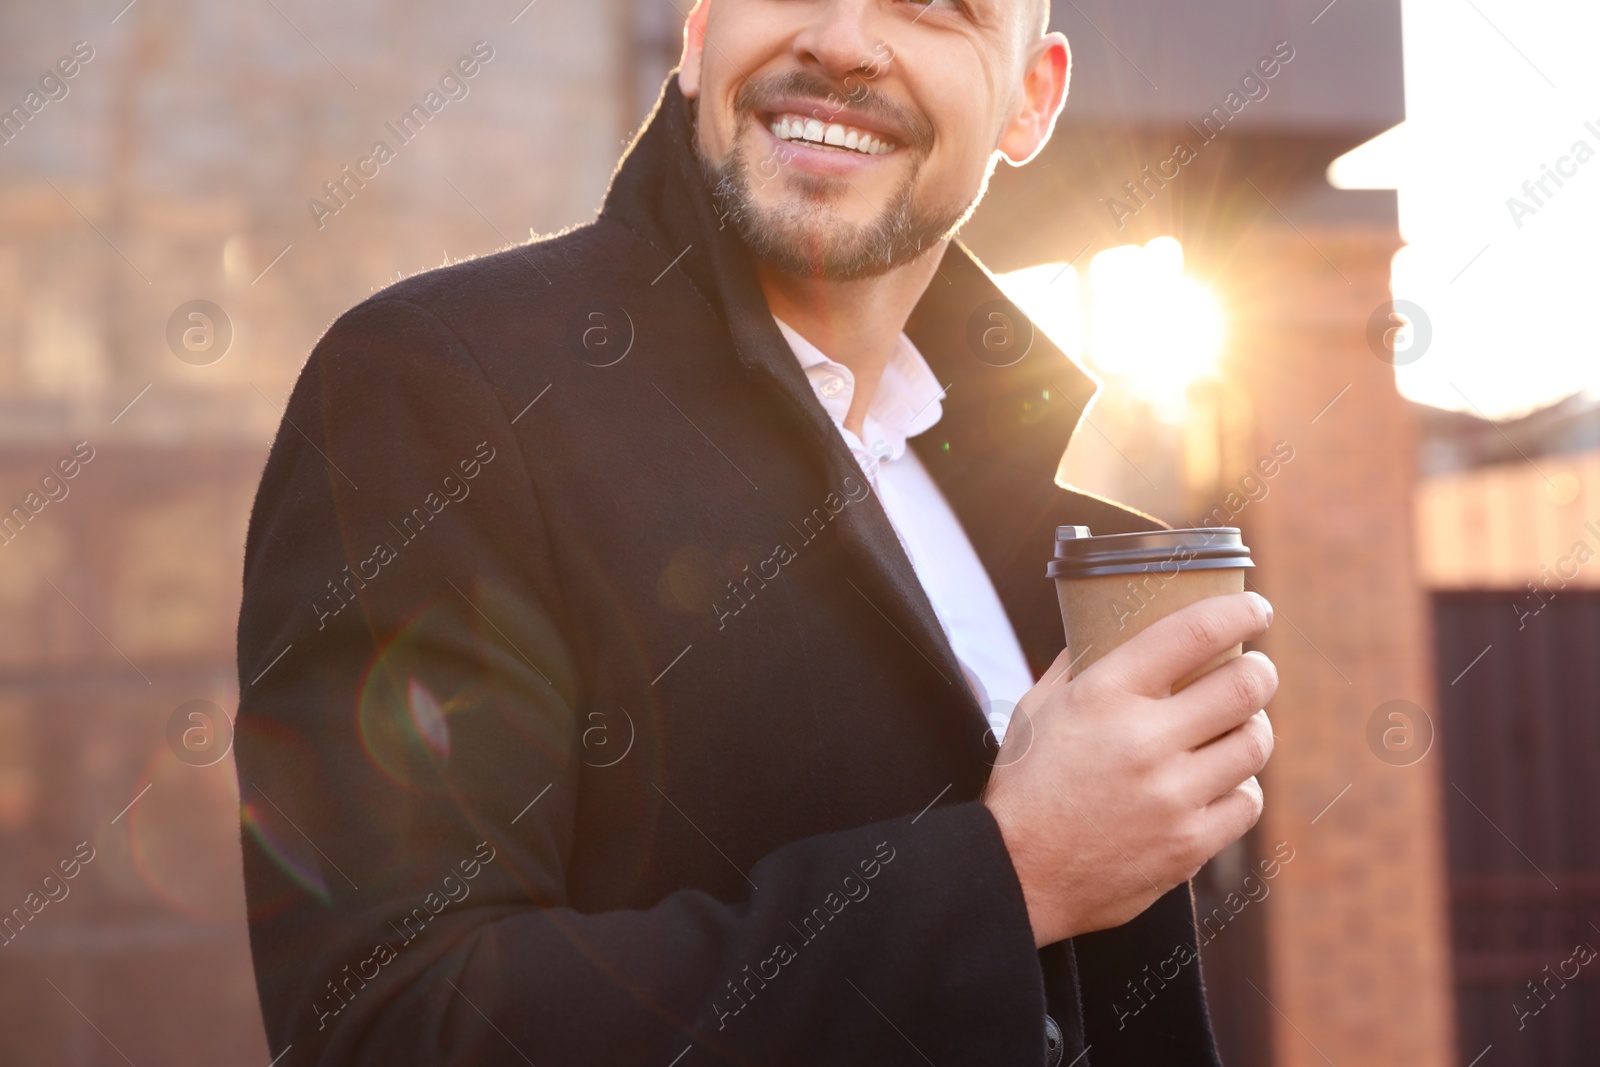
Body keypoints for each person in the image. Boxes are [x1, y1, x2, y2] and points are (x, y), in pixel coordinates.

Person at [234, 0, 1277, 1061]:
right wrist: (1008, 875)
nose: (839, 39)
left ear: (1030, 99)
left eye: (931, 7)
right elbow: (393, 1024)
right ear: (696, 40)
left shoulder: (1038, 524)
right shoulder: (444, 391)